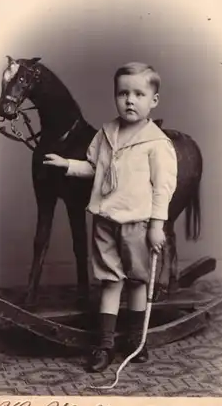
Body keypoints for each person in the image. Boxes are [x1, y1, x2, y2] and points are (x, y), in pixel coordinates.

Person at [43, 62, 178, 372]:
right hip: (105, 220)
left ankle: (134, 339)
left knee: (137, 281)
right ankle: (104, 344)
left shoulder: (156, 143)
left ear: (153, 101)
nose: (130, 100)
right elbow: (95, 169)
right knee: (108, 281)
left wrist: (157, 226)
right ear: (115, 97)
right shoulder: (106, 134)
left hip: (137, 223)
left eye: (139, 94)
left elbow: (163, 188)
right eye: (123, 93)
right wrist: (67, 165)